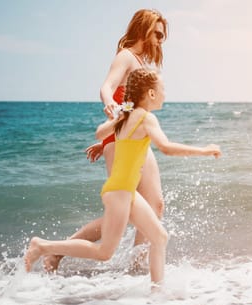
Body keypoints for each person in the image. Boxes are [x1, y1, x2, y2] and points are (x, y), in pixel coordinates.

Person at [24, 68, 222, 285]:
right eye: (162, 89)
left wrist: (120, 114)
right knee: (104, 252)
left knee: (159, 237)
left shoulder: (127, 116)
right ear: (151, 94)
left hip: (123, 190)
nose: (165, 94)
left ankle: (158, 293)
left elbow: (100, 133)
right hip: (120, 191)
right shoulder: (147, 118)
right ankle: (43, 246)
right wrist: (204, 150)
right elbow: (165, 147)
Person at [43, 9, 168, 272]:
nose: (159, 40)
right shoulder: (125, 57)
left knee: (155, 205)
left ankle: (137, 265)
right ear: (143, 29)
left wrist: (107, 140)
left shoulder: (140, 63)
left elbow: (132, 110)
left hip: (131, 139)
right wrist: (110, 104)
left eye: (162, 35)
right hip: (121, 142)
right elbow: (107, 87)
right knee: (122, 211)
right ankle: (55, 251)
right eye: (157, 33)